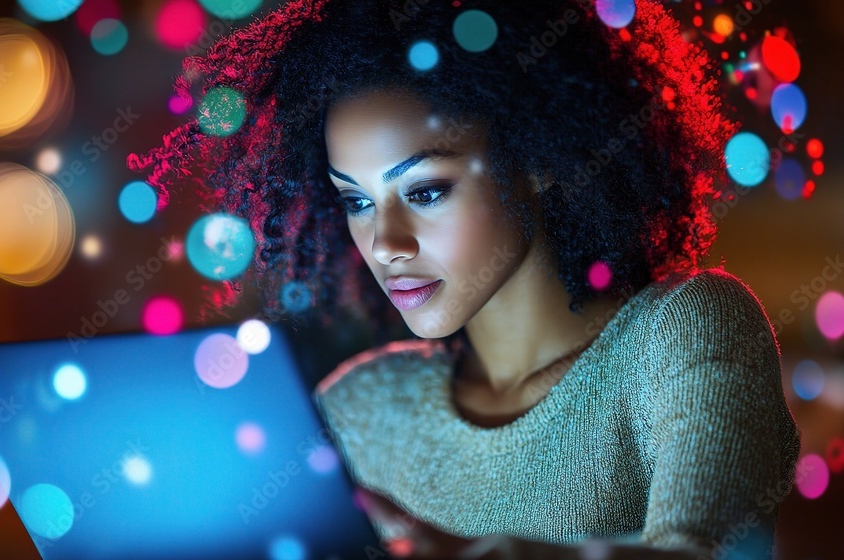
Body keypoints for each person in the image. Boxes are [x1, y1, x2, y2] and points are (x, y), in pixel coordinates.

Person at [128, 0, 802, 558]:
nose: (385, 245)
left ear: (537, 156)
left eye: (424, 191)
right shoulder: (364, 411)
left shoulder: (684, 332)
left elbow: (714, 552)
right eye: (357, 201)